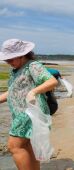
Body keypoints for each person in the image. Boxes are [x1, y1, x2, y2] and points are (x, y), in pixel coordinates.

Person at [0, 39, 58, 170]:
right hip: (20, 113)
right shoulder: (16, 70)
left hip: (30, 112)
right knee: (26, 146)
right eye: (6, 60)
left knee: (14, 146)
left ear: (22, 55)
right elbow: (12, 92)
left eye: (10, 59)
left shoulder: (32, 66)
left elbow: (52, 81)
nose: (8, 63)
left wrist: (33, 91)